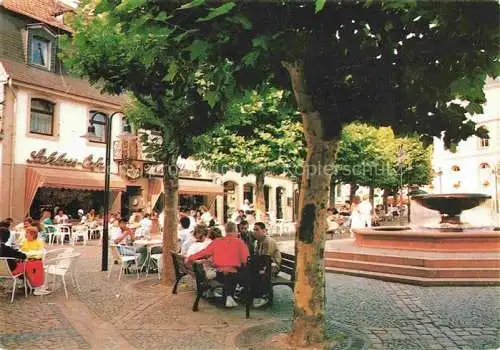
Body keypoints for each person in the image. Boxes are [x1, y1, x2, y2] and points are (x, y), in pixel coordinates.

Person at [186, 222, 249, 308]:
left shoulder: (217, 242)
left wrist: (190, 258)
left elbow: (203, 253)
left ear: (225, 231)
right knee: (238, 271)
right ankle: (231, 296)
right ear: (235, 230)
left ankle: (229, 296)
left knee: (226, 270)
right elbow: (246, 260)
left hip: (220, 275)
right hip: (234, 276)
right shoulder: (240, 243)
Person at [251, 222, 282, 308]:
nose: (254, 232)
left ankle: (263, 297)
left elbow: (265, 259)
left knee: (258, 274)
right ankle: (253, 294)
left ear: (264, 231)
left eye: (257, 229)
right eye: (254, 229)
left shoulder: (267, 241)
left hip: (272, 267)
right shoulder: (259, 242)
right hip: (265, 265)